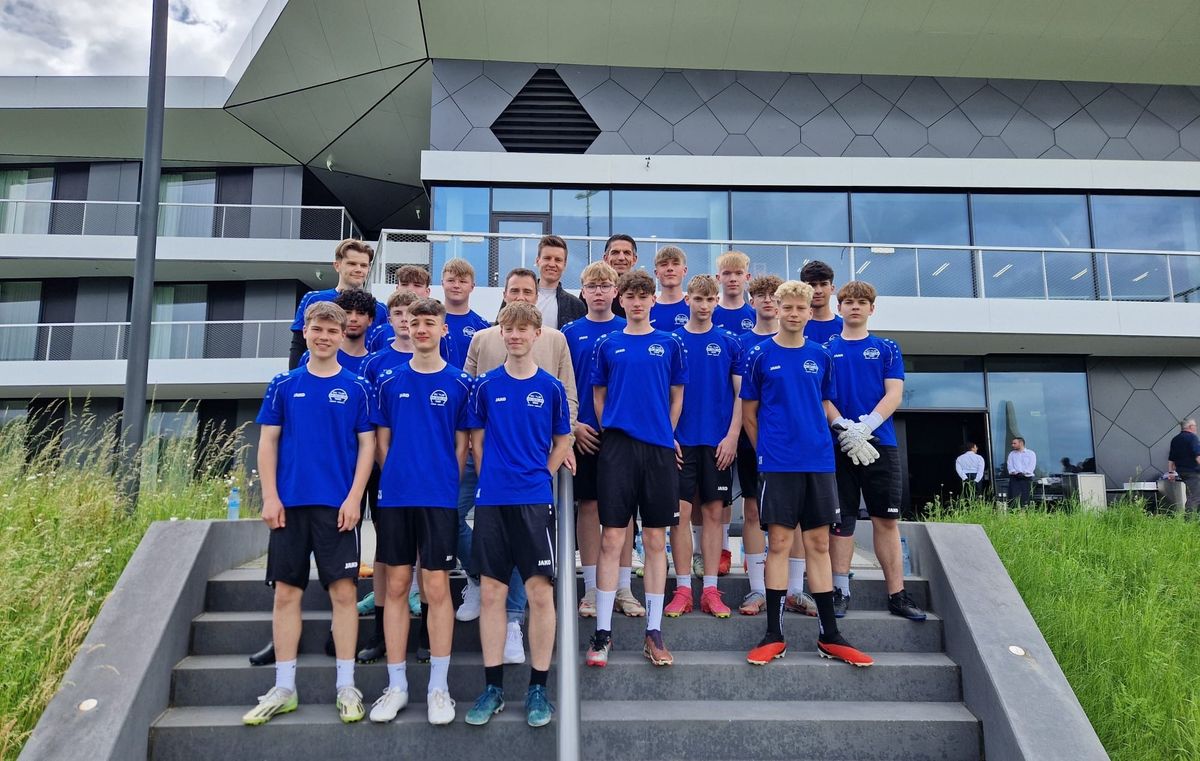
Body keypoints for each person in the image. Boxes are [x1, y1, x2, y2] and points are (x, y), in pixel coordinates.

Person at [242, 301, 375, 726]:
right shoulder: (283, 384)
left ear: (342, 335)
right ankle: (284, 687)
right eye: (317, 329)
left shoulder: (357, 387)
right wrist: (269, 496)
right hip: (290, 506)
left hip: (337, 508)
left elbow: (368, 446)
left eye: (332, 331)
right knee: (286, 593)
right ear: (306, 332)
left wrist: (355, 498)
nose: (324, 336)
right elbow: (268, 442)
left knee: (344, 594)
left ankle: (346, 685)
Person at [741, 280, 873, 668]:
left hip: (819, 462)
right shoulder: (759, 355)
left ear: (810, 311)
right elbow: (749, 414)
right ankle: (773, 634)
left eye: (801, 308)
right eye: (788, 307)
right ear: (777, 308)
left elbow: (825, 401)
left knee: (818, 544)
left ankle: (829, 635)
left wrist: (846, 427)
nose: (795, 313)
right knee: (780, 543)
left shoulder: (821, 354)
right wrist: (767, 452)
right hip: (778, 464)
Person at [463, 301, 573, 728]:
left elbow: (563, 440)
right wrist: (493, 477)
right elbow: (476, 440)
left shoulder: (551, 388)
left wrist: (541, 475)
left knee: (539, 593)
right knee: (492, 593)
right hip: (493, 502)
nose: (514, 335)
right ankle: (492, 688)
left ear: (536, 334)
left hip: (534, 502)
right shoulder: (485, 386)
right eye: (508, 328)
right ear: (501, 333)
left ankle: (537, 688)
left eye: (523, 329)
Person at [368, 298, 470, 726]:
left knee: (436, 587)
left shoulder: (461, 382)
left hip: (438, 499)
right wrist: (398, 476)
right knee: (395, 586)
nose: (421, 328)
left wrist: (443, 482)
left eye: (430, 322)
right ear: (406, 327)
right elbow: (382, 442)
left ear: (444, 329)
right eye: (415, 322)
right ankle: (397, 686)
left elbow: (462, 446)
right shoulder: (388, 379)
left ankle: (438, 688)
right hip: (396, 497)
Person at [586, 270, 687, 668]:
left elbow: (677, 396)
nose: (638, 302)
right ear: (621, 300)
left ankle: (654, 632)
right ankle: (603, 632)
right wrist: (614, 430)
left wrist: (665, 432)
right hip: (618, 449)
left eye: (644, 296)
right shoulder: (607, 343)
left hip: (658, 450)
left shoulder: (670, 343)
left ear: (652, 300)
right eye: (631, 296)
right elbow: (599, 396)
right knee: (612, 537)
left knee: (656, 539)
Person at [825, 280, 926, 622]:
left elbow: (894, 393)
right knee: (841, 521)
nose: (855, 306)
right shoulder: (825, 348)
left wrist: (866, 426)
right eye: (848, 301)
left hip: (880, 443)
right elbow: (822, 396)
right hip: (839, 444)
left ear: (872, 308)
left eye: (861, 302)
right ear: (839, 307)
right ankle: (840, 590)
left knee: (886, 520)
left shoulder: (887, 348)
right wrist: (844, 427)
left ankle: (897, 595)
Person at [561, 262, 640, 618]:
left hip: (622, 436)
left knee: (623, 511)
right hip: (585, 435)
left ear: (616, 291)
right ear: (582, 291)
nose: (598, 292)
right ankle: (593, 588)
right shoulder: (569, 333)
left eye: (605, 285)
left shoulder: (629, 329)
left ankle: (623, 587)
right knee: (590, 507)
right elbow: (562, 384)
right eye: (592, 286)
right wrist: (574, 426)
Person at [665, 275, 741, 619]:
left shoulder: (729, 342)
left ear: (716, 302)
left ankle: (710, 589)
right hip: (680, 442)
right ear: (688, 300)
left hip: (717, 443)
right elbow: (664, 394)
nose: (705, 305)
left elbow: (741, 395)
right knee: (679, 515)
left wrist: (733, 435)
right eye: (698, 298)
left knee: (712, 514)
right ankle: (683, 589)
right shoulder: (671, 341)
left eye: (710, 299)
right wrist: (667, 435)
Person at [733, 274, 782, 616]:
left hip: (790, 444)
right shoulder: (741, 344)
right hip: (752, 441)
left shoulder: (798, 340)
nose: (767, 300)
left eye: (773, 295)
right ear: (751, 302)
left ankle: (793, 590)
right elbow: (738, 398)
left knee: (791, 518)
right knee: (752, 511)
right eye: (761, 295)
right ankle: (757, 589)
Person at [288, 239, 386, 369]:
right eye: (352, 264)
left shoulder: (380, 309)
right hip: (320, 373)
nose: (358, 269)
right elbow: (298, 345)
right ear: (337, 265)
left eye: (363, 265)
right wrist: (295, 377)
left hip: (363, 376)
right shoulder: (314, 299)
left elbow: (382, 350)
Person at [295, 289, 376, 375]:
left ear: (370, 320)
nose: (353, 319)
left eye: (361, 313)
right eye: (347, 312)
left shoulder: (375, 362)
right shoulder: (312, 355)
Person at [441, 257, 492, 363]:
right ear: (442, 283)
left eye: (463, 281)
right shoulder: (430, 321)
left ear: (472, 287)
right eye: (451, 280)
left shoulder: (482, 326)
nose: (456, 286)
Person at [534, 234, 587, 329]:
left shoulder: (575, 305)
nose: (552, 264)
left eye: (558, 260)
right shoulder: (520, 298)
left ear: (564, 265)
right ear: (538, 261)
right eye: (547, 258)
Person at [583, 234, 639, 318]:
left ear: (634, 259)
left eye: (626, 253)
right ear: (606, 258)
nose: (621, 258)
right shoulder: (591, 290)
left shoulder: (642, 291)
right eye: (615, 252)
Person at [800, 260, 843, 344]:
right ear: (803, 290)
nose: (818, 291)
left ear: (832, 288)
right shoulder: (795, 326)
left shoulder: (845, 327)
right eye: (812, 285)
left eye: (823, 284)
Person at [713, 250, 755, 335]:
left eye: (739, 273)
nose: (733, 279)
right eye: (727, 273)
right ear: (718, 278)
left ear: (747, 277)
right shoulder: (709, 315)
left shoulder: (756, 316)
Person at [649, 246, 690, 330]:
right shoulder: (646, 309)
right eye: (664, 264)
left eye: (675, 264)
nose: (670, 268)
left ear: (685, 270)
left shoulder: (695, 308)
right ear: (656, 273)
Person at [1166, 418, 1200, 513]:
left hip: (1181, 472)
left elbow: (1171, 459)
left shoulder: (1175, 439)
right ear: (1191, 427)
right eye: (1195, 426)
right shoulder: (1192, 438)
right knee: (1194, 497)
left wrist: (1171, 473)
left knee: (1193, 495)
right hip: (1193, 472)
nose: (1196, 428)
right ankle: (1189, 519)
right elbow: (1198, 455)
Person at [1006, 437, 1036, 506]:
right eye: (1012, 443)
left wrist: (1024, 473)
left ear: (1021, 443)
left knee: (1025, 498)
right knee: (1013, 498)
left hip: (1026, 478)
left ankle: (1025, 510)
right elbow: (1010, 466)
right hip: (1015, 478)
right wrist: (1016, 473)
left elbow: (1031, 465)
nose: (1012, 445)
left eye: (1014, 443)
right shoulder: (1011, 454)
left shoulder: (1030, 453)